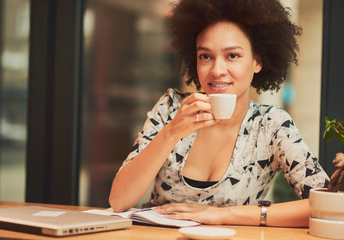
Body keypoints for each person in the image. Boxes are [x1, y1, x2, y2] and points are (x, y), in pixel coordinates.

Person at [109, 0, 329, 227]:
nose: (216, 71)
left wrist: (221, 215)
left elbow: (326, 204)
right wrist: (172, 132)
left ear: (257, 61)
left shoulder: (271, 125)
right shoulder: (170, 108)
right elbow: (119, 201)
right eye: (206, 56)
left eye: (232, 55)